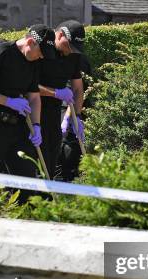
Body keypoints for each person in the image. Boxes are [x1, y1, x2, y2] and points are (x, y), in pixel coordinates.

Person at [0, 25, 56, 199]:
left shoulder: (33, 62)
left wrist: (37, 125)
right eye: (40, 52)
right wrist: (8, 101)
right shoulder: (2, 53)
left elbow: (34, 96)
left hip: (15, 127)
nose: (41, 57)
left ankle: (25, 218)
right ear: (30, 42)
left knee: (26, 177)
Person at [37, 20, 87, 180]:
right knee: (35, 162)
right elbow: (26, 86)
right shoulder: (42, 48)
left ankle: (48, 201)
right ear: (59, 35)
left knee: (53, 162)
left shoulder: (73, 56)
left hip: (54, 115)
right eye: (69, 46)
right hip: (34, 112)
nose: (70, 51)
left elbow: (78, 88)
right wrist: (55, 93)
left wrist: (75, 115)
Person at [55, 51, 92, 182]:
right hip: (64, 107)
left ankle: (68, 179)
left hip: (69, 108)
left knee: (67, 148)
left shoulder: (78, 60)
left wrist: (69, 116)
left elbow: (77, 91)